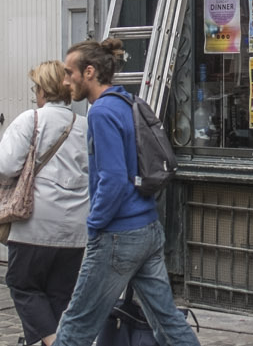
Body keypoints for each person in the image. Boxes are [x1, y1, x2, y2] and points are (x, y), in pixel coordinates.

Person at [49, 39, 200, 346]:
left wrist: (95, 223)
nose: (65, 81)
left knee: (76, 324)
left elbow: (114, 179)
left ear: (89, 72)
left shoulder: (101, 112)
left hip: (117, 235)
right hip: (146, 227)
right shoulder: (126, 102)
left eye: (69, 72)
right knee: (167, 322)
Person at [0, 61, 90, 346]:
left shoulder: (30, 120)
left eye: (36, 88)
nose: (35, 94)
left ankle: (55, 343)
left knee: (23, 285)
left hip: (35, 223)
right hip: (74, 228)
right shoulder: (84, 125)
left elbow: (6, 166)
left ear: (43, 91)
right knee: (59, 295)